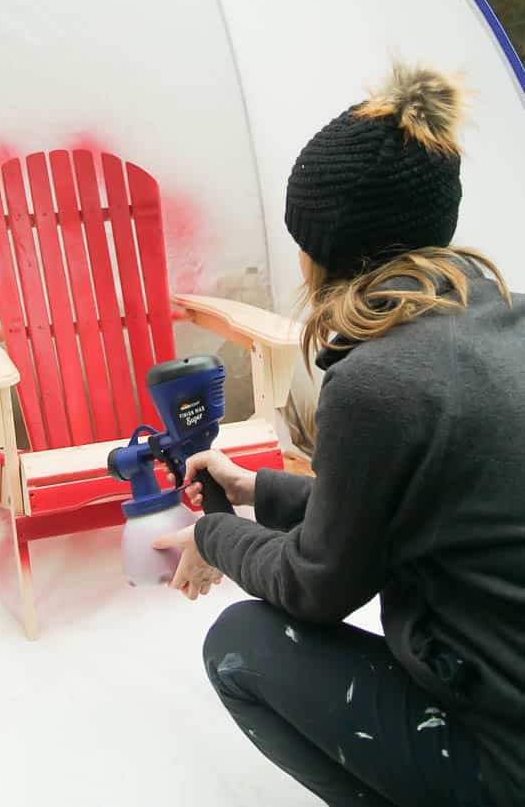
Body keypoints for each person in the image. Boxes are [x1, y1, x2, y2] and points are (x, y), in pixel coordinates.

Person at [153, 64, 525, 807]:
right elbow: (424, 505)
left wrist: (212, 540)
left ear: (331, 249)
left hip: (505, 758)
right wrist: (257, 489)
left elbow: (319, 585)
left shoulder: (378, 381)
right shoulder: (500, 328)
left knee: (240, 647)